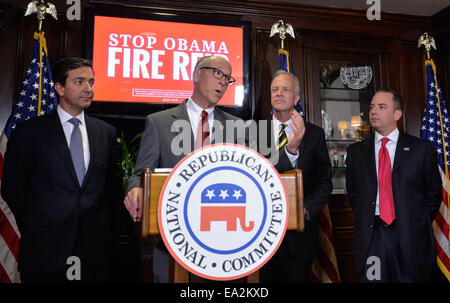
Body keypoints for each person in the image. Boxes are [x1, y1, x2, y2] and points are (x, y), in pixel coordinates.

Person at [124, 55, 246, 282]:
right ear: (196, 75)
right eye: (217, 73)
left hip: (225, 248)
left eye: (227, 78)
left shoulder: (237, 127)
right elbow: (140, 175)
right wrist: (134, 189)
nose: (222, 82)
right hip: (173, 246)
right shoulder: (158, 122)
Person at [1, 57, 117, 282]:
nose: (88, 89)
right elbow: (12, 189)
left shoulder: (106, 132)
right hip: (44, 249)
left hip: (93, 253)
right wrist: (40, 222)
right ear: (60, 88)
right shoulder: (29, 132)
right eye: (79, 82)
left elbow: (110, 190)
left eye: (91, 82)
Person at [345, 89, 442, 282]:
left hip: (409, 237)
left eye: (382, 107)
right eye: (372, 107)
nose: (373, 111)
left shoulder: (421, 149)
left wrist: (412, 219)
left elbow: (433, 195)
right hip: (373, 239)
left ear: (397, 114)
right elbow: (354, 194)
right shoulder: (356, 152)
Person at [259, 70, 332, 282]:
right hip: (260, 237)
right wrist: (290, 151)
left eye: (285, 89)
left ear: (297, 98)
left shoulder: (314, 134)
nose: (279, 93)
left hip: (299, 239)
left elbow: (324, 182)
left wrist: (306, 210)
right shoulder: (253, 131)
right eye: (275, 89)